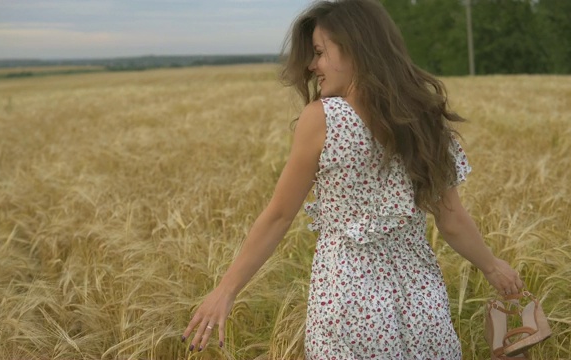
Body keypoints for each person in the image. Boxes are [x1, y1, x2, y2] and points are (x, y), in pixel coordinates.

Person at [181, 0, 524, 358]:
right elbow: (451, 219)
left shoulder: (323, 118)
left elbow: (280, 215)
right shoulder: (425, 120)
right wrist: (493, 266)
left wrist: (226, 290)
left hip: (349, 304)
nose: (313, 66)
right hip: (423, 304)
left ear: (355, 48)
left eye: (319, 52)